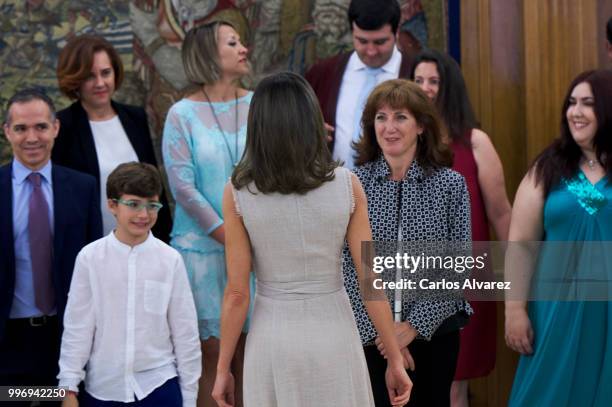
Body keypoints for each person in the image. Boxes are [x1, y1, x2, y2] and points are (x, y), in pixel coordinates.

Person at [211, 71, 412, 407]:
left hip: (273, 339)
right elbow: (370, 282)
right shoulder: (347, 186)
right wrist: (393, 358)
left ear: (258, 125)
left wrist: (222, 369)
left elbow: (236, 294)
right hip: (334, 334)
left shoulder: (238, 192)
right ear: (311, 120)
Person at [343, 79, 473, 406]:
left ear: (421, 126)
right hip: (370, 340)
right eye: (381, 117)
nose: (389, 127)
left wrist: (411, 329)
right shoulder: (353, 184)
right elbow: (348, 269)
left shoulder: (450, 185)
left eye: (400, 117)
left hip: (434, 334)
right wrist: (387, 340)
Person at [410, 49, 511, 406]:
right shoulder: (398, 142)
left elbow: (501, 215)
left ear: (448, 86)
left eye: (433, 81)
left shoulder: (475, 142)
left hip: (466, 283)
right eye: (418, 80)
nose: (425, 88)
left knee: (454, 385)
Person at [505, 69, 612, 406]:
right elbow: (521, 244)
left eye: (588, 103)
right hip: (556, 311)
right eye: (571, 102)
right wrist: (514, 310)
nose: (575, 112)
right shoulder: (549, 168)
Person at [161, 20, 254, 407]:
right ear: (208, 55)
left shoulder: (258, 103)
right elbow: (183, 189)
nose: (244, 48)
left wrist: (251, 240)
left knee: (251, 354)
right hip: (202, 253)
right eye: (233, 43)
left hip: (256, 250)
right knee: (212, 358)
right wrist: (229, 236)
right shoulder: (180, 115)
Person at [58, 162, 201, 407]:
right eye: (133, 204)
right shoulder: (90, 258)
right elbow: (78, 326)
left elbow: (185, 332)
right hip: (103, 388)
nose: (144, 215)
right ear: (112, 205)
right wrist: (68, 387)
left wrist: (189, 397)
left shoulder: (170, 260)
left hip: (159, 386)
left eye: (152, 205)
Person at [0, 89, 102, 392]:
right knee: (14, 401)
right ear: (7, 132)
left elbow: (93, 265)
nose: (32, 137)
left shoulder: (83, 188)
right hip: (8, 344)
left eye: (41, 127)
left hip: (66, 340)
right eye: (21, 128)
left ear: (55, 128)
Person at [51, 34, 172, 242]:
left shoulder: (135, 117)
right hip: (90, 245)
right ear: (75, 79)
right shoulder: (63, 127)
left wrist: (164, 238)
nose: (100, 83)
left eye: (106, 73)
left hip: (143, 241)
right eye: (90, 76)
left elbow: (153, 183)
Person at [305, 0, 415, 169]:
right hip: (334, 187)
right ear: (352, 32)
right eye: (362, 41)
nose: (371, 51)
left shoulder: (416, 74)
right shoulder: (322, 73)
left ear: (397, 32)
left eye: (380, 42)